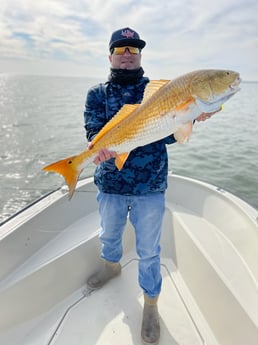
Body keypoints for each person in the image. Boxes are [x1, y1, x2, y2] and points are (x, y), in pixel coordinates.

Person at [84, 27, 217, 345]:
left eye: (133, 48)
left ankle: (152, 305)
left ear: (141, 55)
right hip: (111, 183)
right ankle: (111, 267)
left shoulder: (161, 92)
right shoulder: (97, 94)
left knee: (149, 250)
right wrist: (98, 147)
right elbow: (93, 132)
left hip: (150, 185)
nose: (127, 53)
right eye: (121, 49)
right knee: (109, 234)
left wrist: (193, 117)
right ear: (111, 57)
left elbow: (171, 134)